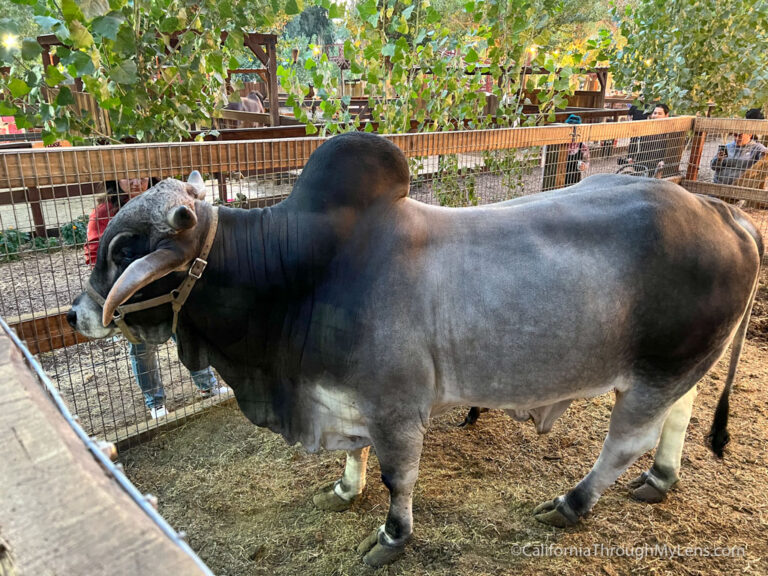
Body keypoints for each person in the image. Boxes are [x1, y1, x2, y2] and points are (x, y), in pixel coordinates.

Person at [85, 177, 228, 419]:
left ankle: (208, 385)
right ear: (114, 178)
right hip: (136, 295)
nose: (135, 181)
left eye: (140, 174)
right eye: (126, 175)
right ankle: (155, 402)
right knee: (142, 347)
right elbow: (94, 255)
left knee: (185, 333)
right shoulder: (104, 213)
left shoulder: (164, 201)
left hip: (169, 289)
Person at [711, 109, 767, 186]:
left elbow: (763, 160)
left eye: (740, 136)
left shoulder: (757, 148)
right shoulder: (726, 147)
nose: (737, 138)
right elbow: (713, 167)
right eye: (735, 135)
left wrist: (764, 155)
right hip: (719, 186)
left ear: (750, 134)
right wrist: (718, 159)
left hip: (741, 189)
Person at [564, 114, 590, 185]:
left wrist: (584, 166)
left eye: (575, 129)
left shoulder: (582, 145)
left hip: (575, 177)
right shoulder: (561, 142)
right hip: (560, 175)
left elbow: (587, 161)